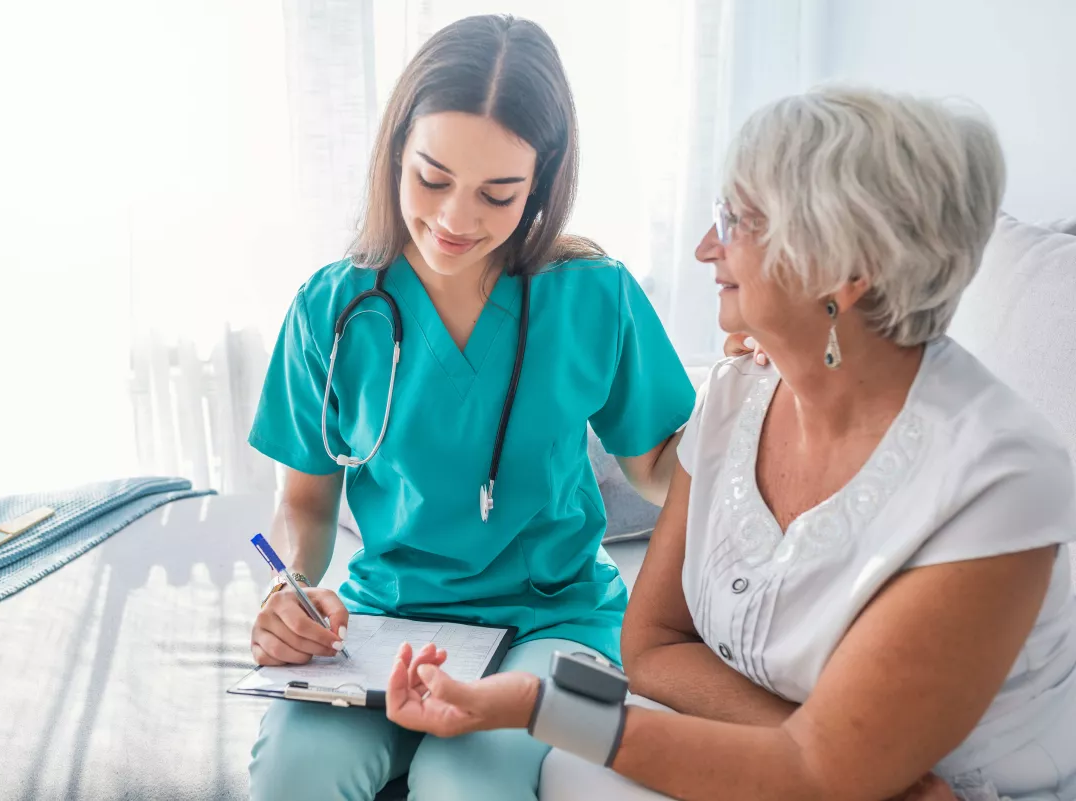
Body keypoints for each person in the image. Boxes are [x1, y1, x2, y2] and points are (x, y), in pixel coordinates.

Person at [384, 87, 1076, 801]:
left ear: (848, 266)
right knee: (571, 772)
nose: (706, 247)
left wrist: (540, 705)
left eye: (737, 221)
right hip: (838, 771)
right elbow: (652, 645)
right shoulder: (738, 392)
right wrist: (846, 756)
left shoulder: (999, 481)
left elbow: (813, 774)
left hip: (959, 790)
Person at [246, 14, 697, 801]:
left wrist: (769, 405)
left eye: (498, 194)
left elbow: (664, 467)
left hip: (562, 626)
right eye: (431, 178)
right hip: (385, 617)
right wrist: (289, 588)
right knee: (295, 772)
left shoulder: (595, 295)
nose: (456, 220)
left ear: (544, 184)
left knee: (467, 782)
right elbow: (305, 503)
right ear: (393, 155)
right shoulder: (331, 308)